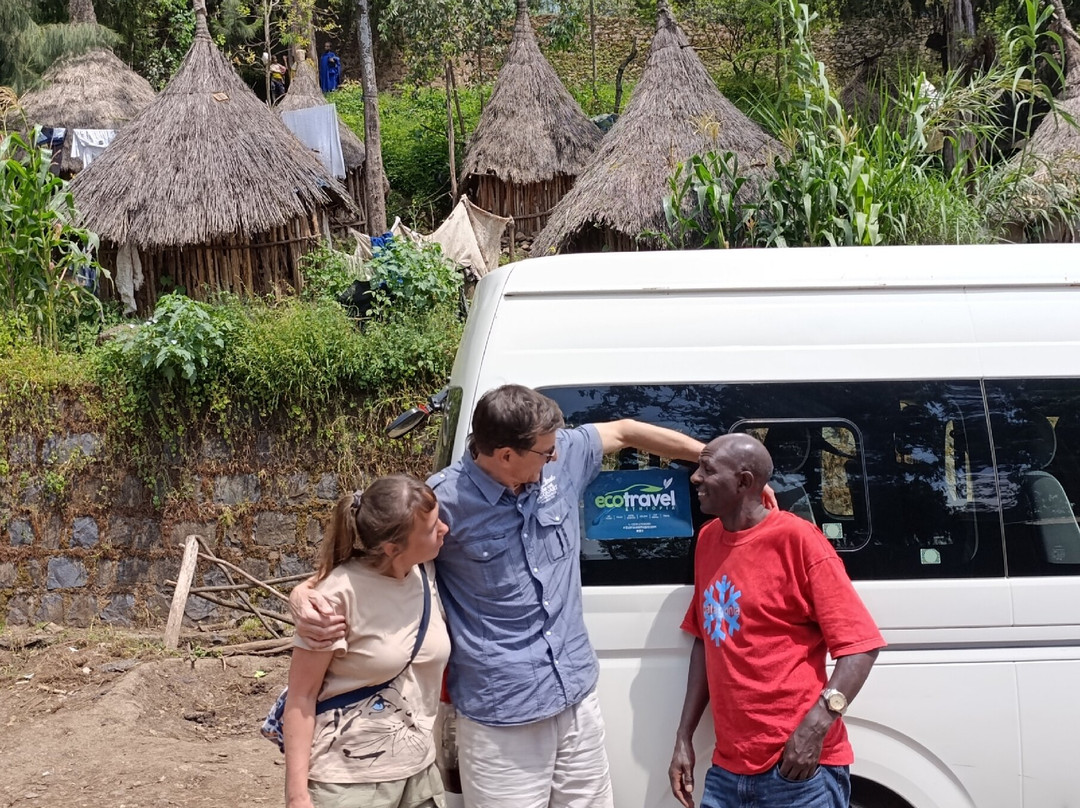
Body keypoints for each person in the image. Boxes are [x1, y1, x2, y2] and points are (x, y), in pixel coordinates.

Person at [294, 384, 761, 808]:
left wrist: (716, 462)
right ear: (504, 455)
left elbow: (625, 431)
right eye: (544, 450)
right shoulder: (445, 502)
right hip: (501, 717)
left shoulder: (561, 457)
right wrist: (307, 593)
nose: (556, 454)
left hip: (575, 697)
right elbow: (381, 556)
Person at [668, 434, 886, 808]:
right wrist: (684, 736)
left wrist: (815, 728)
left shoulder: (797, 540)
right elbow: (706, 639)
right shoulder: (707, 540)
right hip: (727, 771)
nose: (695, 477)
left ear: (743, 482)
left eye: (707, 469)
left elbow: (861, 647)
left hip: (795, 770)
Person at [284, 475, 451, 808]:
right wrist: (296, 796)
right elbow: (301, 697)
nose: (445, 529)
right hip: (349, 785)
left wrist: (299, 589)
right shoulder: (334, 598)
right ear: (392, 548)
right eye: (433, 527)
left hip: (420, 777)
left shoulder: (425, 572)